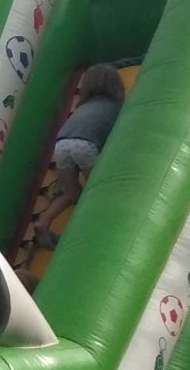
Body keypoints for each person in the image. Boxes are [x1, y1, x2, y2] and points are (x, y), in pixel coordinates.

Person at [33, 64, 126, 250]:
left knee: (71, 193)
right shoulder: (115, 107)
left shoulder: (82, 107)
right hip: (85, 145)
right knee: (98, 190)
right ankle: (95, 229)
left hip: (61, 144)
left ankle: (43, 222)